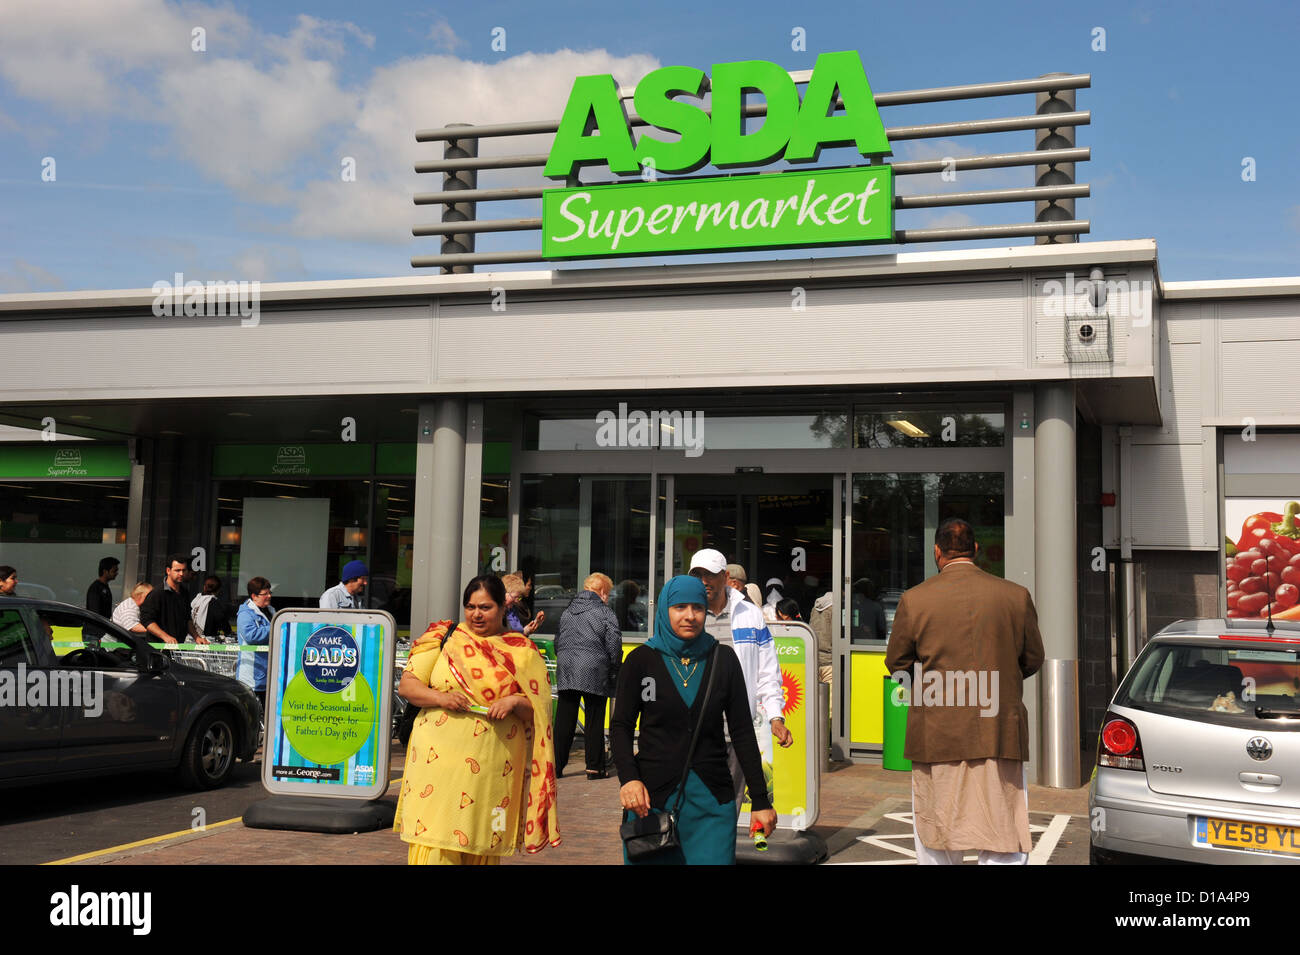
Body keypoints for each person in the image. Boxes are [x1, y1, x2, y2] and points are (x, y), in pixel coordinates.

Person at [885, 517, 1045, 866]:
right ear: (975, 550)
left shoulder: (915, 600)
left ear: (937, 552)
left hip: (936, 733)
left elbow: (897, 663)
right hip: (998, 728)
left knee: (936, 835)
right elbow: (1033, 659)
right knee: (1003, 834)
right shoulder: (1015, 597)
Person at [395, 574, 559, 864]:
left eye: (485, 607)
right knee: (434, 842)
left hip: (492, 770)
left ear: (502, 608)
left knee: (483, 841)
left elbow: (538, 711)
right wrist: (441, 698)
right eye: (470, 607)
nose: (476, 615)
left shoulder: (520, 652)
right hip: (437, 766)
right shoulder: (444, 637)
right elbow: (408, 686)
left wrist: (514, 701)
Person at [612, 575, 776, 865]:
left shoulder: (723, 659)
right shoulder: (641, 661)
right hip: (652, 802)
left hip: (712, 802)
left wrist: (761, 801)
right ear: (664, 610)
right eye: (680, 607)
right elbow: (621, 726)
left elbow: (741, 731)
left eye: (698, 608)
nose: (690, 616)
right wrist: (629, 780)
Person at [688, 548, 791, 812]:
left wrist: (776, 717)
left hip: (735, 731)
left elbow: (767, 670)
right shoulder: (684, 615)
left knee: (728, 808)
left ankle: (721, 853)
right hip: (692, 731)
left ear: (724, 577)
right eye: (696, 574)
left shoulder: (749, 615)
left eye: (709, 574)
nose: (703, 581)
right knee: (693, 807)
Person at [553, 572, 622, 779]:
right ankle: (594, 767)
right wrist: (614, 665)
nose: (608, 598)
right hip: (594, 668)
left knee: (564, 719)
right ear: (602, 592)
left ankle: (556, 766)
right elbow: (614, 644)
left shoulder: (567, 611)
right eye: (608, 594)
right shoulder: (605, 612)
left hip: (566, 667)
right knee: (594, 718)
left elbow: (558, 641)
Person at [140, 555, 206, 645]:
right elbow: (146, 620)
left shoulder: (184, 592)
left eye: (184, 570)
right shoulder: (157, 593)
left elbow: (187, 619)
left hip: (177, 648)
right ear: (168, 571)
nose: (181, 574)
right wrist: (165, 636)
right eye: (177, 570)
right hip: (158, 649)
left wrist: (197, 637)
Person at [236, 577, 273, 710]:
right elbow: (251, 636)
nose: (269, 596)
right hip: (252, 676)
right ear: (254, 596)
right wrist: (274, 626)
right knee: (252, 712)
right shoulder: (245, 614)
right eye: (265, 594)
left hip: (268, 672)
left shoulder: (270, 610)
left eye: (270, 593)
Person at [85, 556, 119, 644]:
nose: (117, 573)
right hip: (94, 632)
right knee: (93, 657)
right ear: (105, 571)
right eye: (114, 570)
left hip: (100, 631)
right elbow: (94, 612)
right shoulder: (96, 588)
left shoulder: (104, 587)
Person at [192, 574, 232, 642]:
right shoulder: (213, 602)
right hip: (207, 639)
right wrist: (228, 632)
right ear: (218, 590)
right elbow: (221, 619)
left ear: (204, 587)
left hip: (193, 637)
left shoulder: (196, 599)